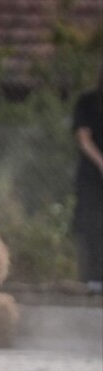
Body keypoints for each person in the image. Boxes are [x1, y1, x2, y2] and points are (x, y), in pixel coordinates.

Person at [72, 66, 103, 295]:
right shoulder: (87, 101)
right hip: (92, 177)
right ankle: (93, 279)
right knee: (91, 224)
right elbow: (83, 138)